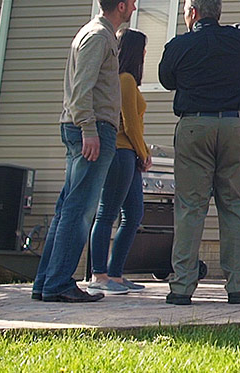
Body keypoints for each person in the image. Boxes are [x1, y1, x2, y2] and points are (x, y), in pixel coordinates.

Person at [158, 0, 240, 306]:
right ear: (218, 12)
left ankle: (181, 287)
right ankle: (237, 286)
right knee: (235, 206)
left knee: (191, 207)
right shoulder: (239, 39)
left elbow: (167, 80)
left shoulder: (179, 45)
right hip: (235, 126)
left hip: (194, 126)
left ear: (192, 13)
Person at [32, 0, 136, 303]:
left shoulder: (100, 34)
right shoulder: (97, 36)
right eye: (132, 1)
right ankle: (59, 283)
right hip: (90, 130)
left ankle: (45, 283)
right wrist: (89, 129)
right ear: (120, 5)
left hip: (86, 127)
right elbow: (81, 89)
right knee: (79, 210)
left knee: (68, 207)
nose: (134, 7)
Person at [86, 28, 153, 296]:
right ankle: (99, 276)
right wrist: (144, 152)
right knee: (107, 213)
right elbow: (130, 122)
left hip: (130, 156)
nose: (146, 53)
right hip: (121, 151)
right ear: (136, 51)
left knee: (134, 214)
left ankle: (115, 273)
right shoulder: (124, 80)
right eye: (144, 49)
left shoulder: (129, 82)